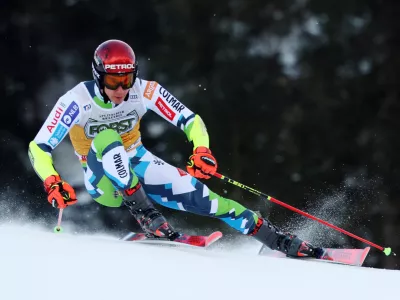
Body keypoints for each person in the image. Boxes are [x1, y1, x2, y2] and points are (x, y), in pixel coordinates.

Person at [28, 39, 323, 258]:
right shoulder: (77, 100)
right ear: (98, 76)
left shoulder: (144, 91)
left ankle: (277, 240)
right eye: (113, 81)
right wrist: (51, 180)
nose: (120, 89)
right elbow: (38, 146)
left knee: (209, 200)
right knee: (106, 138)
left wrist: (201, 150)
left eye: (126, 79)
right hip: (103, 181)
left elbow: (190, 120)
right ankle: (148, 217)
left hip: (139, 163)